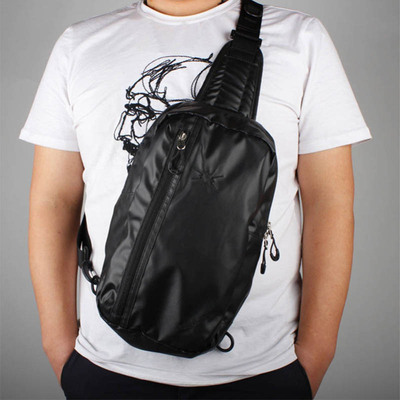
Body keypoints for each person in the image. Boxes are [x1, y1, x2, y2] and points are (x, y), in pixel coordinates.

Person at [19, 0, 372, 398]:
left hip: (260, 371)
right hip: (106, 367)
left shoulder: (300, 40)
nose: (124, 130)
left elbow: (329, 202)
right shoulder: (80, 46)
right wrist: (59, 347)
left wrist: (315, 354)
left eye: (143, 112)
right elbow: (54, 202)